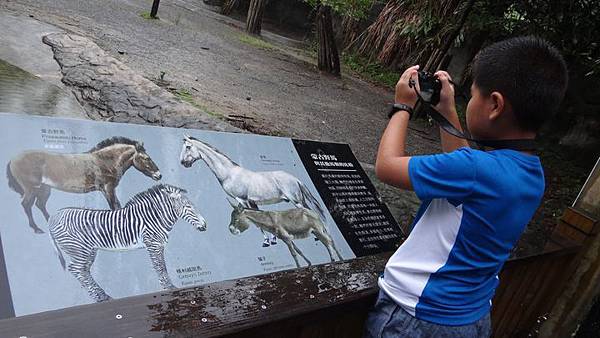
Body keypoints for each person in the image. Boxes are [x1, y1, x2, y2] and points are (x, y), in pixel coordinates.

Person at [363, 36, 568, 337]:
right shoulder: (531, 174)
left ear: (495, 105)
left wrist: (401, 106)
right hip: (469, 318)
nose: (469, 102)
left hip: (415, 316)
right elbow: (465, 167)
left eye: (472, 96)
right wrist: (447, 110)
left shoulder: (474, 169)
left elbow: (386, 166)